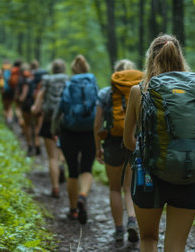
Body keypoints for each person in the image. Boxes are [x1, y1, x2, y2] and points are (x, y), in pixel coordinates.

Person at [123, 34, 195, 252]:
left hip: (149, 176)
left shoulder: (139, 91)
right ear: (180, 57)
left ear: (150, 58)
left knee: (148, 238)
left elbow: (128, 141)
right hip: (190, 173)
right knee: (176, 244)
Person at [93, 59, 140, 242]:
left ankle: (119, 230)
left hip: (112, 143)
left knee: (114, 189)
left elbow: (97, 124)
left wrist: (98, 148)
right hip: (133, 142)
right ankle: (132, 220)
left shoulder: (106, 93)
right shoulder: (140, 90)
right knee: (129, 188)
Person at [52, 55, 98, 225]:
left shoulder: (70, 84)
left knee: (72, 170)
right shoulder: (93, 84)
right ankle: (83, 196)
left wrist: (54, 129)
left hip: (69, 131)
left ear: (73, 70)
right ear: (86, 68)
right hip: (89, 132)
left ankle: (73, 210)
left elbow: (61, 108)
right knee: (86, 167)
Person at [31, 59, 69, 198]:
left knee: (51, 157)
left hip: (48, 122)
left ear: (52, 69)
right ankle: (62, 163)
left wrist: (35, 109)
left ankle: (55, 188)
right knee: (61, 150)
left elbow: (36, 107)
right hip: (64, 122)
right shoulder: (68, 81)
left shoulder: (46, 81)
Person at [18, 60, 47, 156]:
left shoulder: (27, 79)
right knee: (38, 125)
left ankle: (30, 146)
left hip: (27, 105)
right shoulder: (41, 80)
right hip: (38, 106)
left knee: (27, 125)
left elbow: (23, 96)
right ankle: (38, 144)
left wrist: (19, 100)